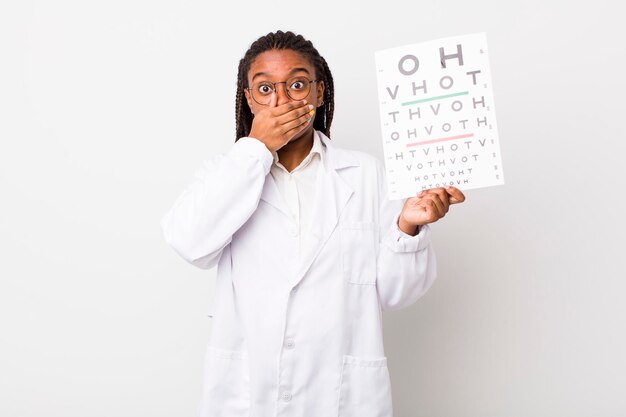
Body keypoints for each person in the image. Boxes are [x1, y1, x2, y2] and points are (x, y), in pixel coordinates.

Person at [160, 30, 465, 417]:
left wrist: (406, 226)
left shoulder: (366, 175)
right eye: (265, 88)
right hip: (248, 396)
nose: (282, 100)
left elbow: (395, 294)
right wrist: (255, 149)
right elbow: (190, 242)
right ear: (249, 98)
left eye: (298, 84)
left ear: (319, 93)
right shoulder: (225, 174)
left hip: (339, 397)